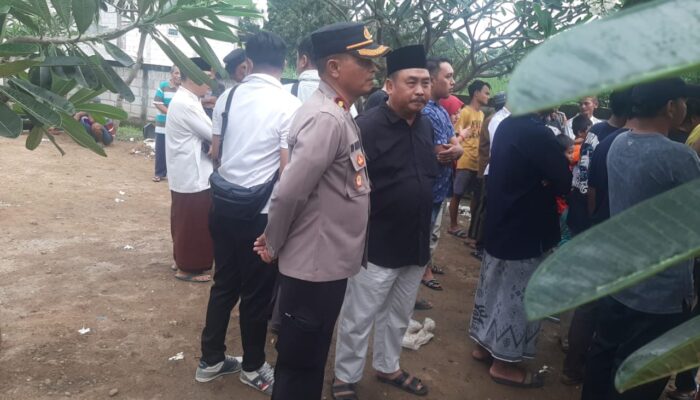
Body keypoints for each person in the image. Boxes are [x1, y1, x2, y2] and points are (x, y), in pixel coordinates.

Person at [253, 22, 389, 400]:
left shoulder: (337, 111)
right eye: (364, 61)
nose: (373, 69)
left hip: (324, 263)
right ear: (333, 67)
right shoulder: (328, 118)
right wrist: (273, 243)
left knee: (309, 360)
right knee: (300, 366)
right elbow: (289, 192)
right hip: (314, 268)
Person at [581, 78, 700, 400]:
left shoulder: (618, 143)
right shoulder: (679, 157)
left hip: (618, 279)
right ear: (671, 107)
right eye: (684, 101)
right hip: (660, 293)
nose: (687, 108)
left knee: (603, 359)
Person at [196, 31, 300, 395]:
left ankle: (210, 360)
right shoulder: (290, 105)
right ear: (284, 64)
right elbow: (286, 172)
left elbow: (215, 152)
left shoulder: (228, 96)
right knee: (256, 293)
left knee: (224, 283)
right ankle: (253, 367)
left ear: (248, 62)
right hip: (260, 213)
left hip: (223, 204)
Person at [331, 44, 435, 400]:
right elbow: (346, 186)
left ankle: (388, 366)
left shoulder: (426, 126)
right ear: (389, 86)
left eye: (425, 83)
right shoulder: (366, 127)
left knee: (400, 314)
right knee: (359, 316)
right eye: (411, 82)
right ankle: (345, 376)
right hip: (376, 243)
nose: (420, 90)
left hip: (415, 241)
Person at [469, 110, 571, 388]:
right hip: (526, 229)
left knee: (493, 286)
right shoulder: (538, 133)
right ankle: (503, 364)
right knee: (517, 296)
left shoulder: (508, 125)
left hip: (500, 221)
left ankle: (483, 347)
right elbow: (563, 180)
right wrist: (546, 179)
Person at [164, 58, 214, 283]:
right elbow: (212, 133)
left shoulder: (188, 99)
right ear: (194, 76)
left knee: (184, 218)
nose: (209, 84)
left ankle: (181, 258)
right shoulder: (187, 103)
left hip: (186, 170)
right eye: (207, 77)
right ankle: (189, 267)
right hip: (192, 172)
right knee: (194, 221)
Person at [418, 58, 464, 294]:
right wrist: (455, 149)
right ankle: (422, 273)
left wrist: (457, 149)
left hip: (439, 189)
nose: (453, 81)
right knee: (421, 236)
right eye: (448, 76)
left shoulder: (442, 111)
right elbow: (441, 153)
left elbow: (455, 145)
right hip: (427, 188)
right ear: (433, 79)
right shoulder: (426, 112)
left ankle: (425, 268)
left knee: (431, 232)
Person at [447, 80, 490, 241]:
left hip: (477, 162)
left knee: (476, 196)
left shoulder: (482, 115)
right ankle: (453, 225)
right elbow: (455, 135)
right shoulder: (465, 112)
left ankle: (472, 228)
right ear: (476, 93)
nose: (488, 96)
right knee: (457, 193)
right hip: (465, 159)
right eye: (486, 93)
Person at [470, 92, 508, 260]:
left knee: (486, 206)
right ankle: (479, 244)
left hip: (494, 169)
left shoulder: (501, 119)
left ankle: (480, 242)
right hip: (491, 170)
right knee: (485, 208)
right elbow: (496, 148)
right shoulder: (497, 120)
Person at [153, 65, 181, 182]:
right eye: (176, 73)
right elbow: (157, 102)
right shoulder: (164, 86)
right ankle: (159, 173)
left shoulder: (184, 89)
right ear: (171, 74)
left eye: (180, 73)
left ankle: (174, 175)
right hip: (163, 124)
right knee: (161, 150)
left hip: (178, 126)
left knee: (176, 151)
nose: (178, 76)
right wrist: (171, 113)